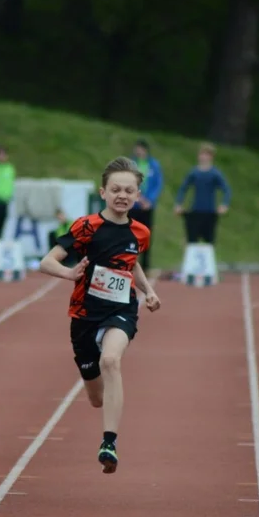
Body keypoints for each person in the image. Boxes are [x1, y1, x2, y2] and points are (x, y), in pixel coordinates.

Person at [39, 157, 161, 474]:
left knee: (111, 360)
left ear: (137, 195)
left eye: (129, 190)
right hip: (84, 314)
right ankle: (108, 401)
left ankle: (109, 442)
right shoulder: (86, 226)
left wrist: (147, 291)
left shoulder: (141, 232)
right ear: (103, 192)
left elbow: (131, 262)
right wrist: (69, 274)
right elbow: (47, 261)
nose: (122, 195)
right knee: (96, 398)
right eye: (116, 189)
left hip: (121, 310)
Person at [173, 142, 231, 244]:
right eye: (201, 154)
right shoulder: (194, 173)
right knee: (191, 241)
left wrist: (224, 205)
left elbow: (226, 189)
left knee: (209, 242)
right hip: (195, 211)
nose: (203, 157)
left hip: (210, 212)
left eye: (206, 154)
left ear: (211, 157)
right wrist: (178, 204)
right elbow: (183, 188)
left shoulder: (215, 174)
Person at [127, 138, 163, 270]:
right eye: (137, 148)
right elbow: (128, 182)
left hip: (147, 206)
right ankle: (129, 260)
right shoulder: (131, 164)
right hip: (133, 204)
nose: (138, 151)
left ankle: (146, 264)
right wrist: (137, 197)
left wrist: (149, 200)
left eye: (140, 148)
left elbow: (157, 184)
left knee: (146, 233)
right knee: (130, 233)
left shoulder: (153, 165)